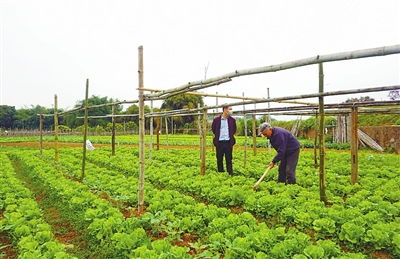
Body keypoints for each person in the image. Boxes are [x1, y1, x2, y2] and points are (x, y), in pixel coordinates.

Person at [211, 106, 237, 175]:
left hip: (228, 142)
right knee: (219, 159)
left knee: (229, 159)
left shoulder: (232, 120)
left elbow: (234, 130)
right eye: (230, 109)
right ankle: (220, 173)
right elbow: (214, 130)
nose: (231, 111)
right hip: (219, 143)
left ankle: (230, 173)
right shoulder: (216, 120)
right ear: (225, 110)